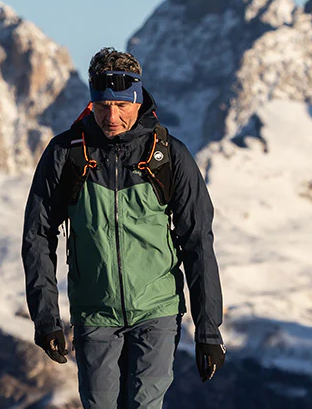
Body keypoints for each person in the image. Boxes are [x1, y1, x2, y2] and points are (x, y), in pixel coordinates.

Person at [20, 48, 227, 409]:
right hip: (94, 313)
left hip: (157, 310)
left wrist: (208, 330)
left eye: (121, 106)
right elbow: (37, 235)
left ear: (137, 99)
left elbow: (197, 242)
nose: (111, 116)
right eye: (102, 106)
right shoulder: (66, 154)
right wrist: (45, 317)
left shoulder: (169, 155)